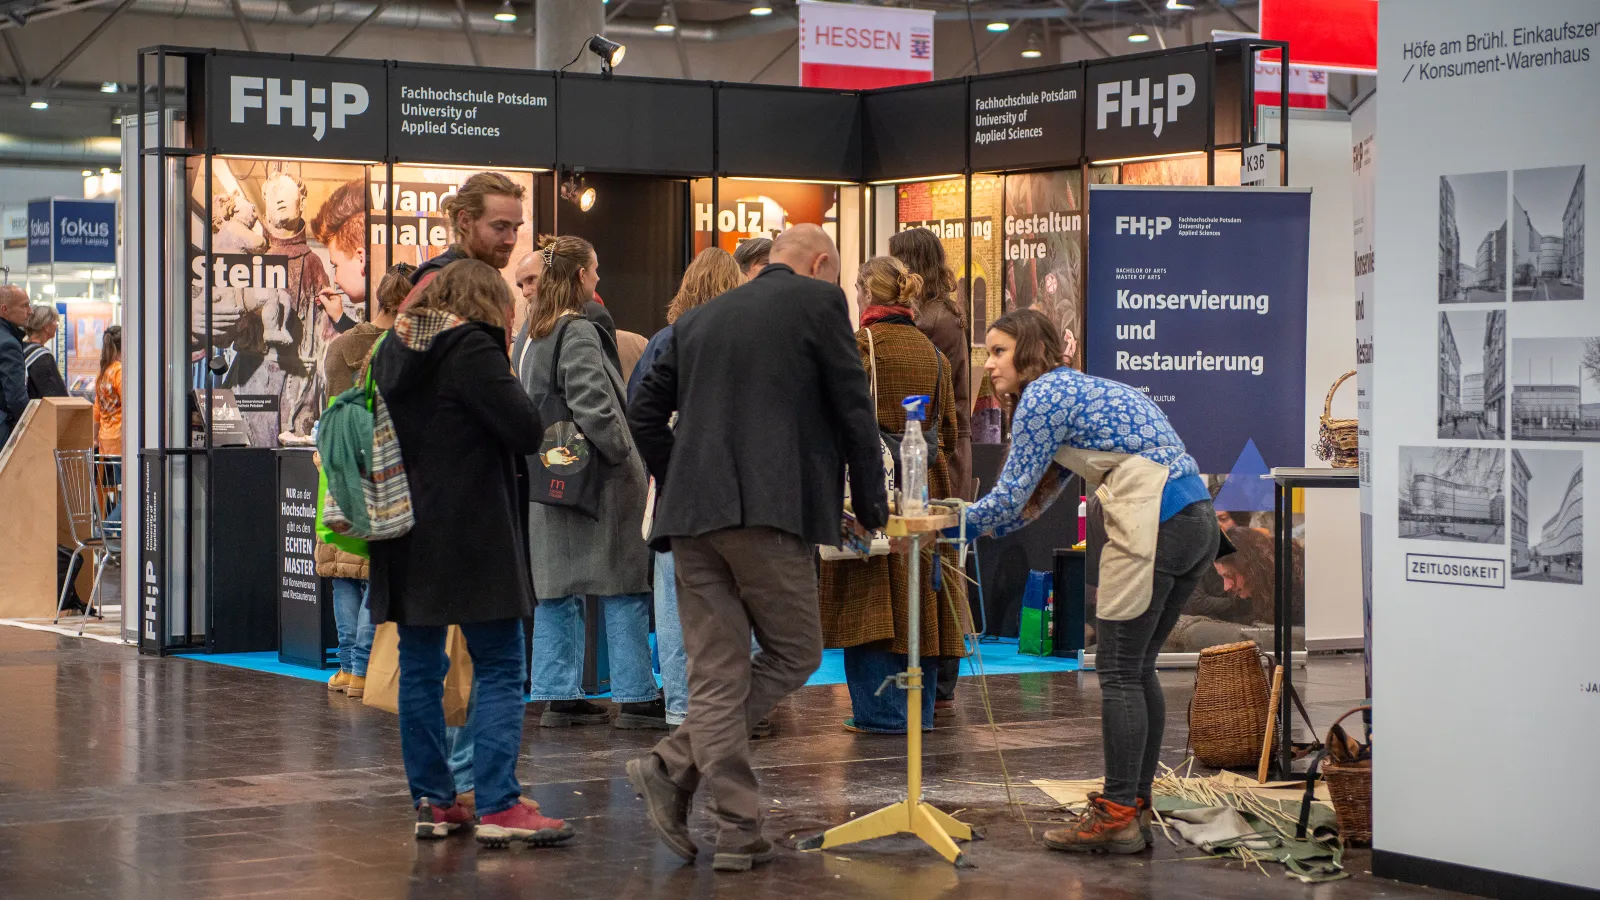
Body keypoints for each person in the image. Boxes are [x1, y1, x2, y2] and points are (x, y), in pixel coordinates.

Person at [625, 224, 888, 872]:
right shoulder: (819, 304)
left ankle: (736, 830)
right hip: (769, 515)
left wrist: (679, 473)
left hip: (691, 521)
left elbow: (641, 414)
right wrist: (875, 512)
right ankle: (674, 765)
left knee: (716, 677)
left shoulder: (699, 319)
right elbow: (856, 412)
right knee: (795, 650)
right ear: (821, 264)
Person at [961, 309, 1217, 855]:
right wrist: (973, 520)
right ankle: (1132, 806)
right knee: (1136, 666)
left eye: (1000, 350)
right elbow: (1031, 504)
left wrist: (946, 521)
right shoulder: (1078, 391)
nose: (990, 363)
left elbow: (1008, 501)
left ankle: (1119, 814)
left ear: (1029, 352)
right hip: (1195, 518)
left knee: (1120, 670)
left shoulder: (1042, 398)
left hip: (1158, 520)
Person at [367, 259, 573, 847]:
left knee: (422, 669)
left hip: (405, 533)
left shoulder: (391, 353)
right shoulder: (472, 348)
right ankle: (500, 806)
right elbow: (527, 429)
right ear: (488, 305)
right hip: (474, 537)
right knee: (502, 665)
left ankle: (434, 801)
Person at [514, 236, 665, 730]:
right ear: (580, 276)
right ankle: (637, 696)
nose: (599, 278)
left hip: (552, 478)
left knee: (558, 590)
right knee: (623, 585)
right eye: (595, 270)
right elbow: (594, 405)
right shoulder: (576, 331)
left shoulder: (530, 335)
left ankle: (559, 695)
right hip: (599, 483)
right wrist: (626, 452)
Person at [820, 256, 968, 734]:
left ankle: (879, 713)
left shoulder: (859, 347)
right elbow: (945, 433)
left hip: (870, 491)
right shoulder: (934, 355)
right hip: (925, 488)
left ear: (866, 294)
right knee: (918, 600)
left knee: (869, 596)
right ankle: (917, 711)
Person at [624, 247, 744, 732]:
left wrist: (667, 467)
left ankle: (680, 709)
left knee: (674, 608)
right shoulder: (745, 343)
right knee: (735, 604)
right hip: (736, 491)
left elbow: (639, 410)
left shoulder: (665, 342)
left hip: (676, 492)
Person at [888, 227, 974, 716]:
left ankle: (941, 677)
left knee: (938, 569)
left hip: (939, 454)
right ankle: (941, 676)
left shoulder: (932, 322)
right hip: (946, 450)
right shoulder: (944, 313)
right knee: (941, 566)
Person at [318, 264, 414, 700]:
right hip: (385, 464)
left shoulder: (340, 347)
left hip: (339, 460)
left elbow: (332, 404)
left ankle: (346, 667)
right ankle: (361, 668)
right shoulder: (404, 348)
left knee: (342, 569)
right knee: (375, 568)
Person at [0, 285, 30, 447]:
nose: (30, 311)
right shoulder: (9, 344)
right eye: (24, 305)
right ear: (5, 309)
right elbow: (16, 398)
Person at [22, 305, 69, 399]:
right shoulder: (42, 356)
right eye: (56, 321)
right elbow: (56, 395)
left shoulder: (21, 347)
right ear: (46, 326)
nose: (57, 325)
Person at [93, 326, 123, 460]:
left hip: (105, 437)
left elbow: (97, 410)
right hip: (121, 438)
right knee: (124, 480)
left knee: (115, 480)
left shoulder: (103, 372)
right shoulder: (120, 371)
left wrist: (94, 437)